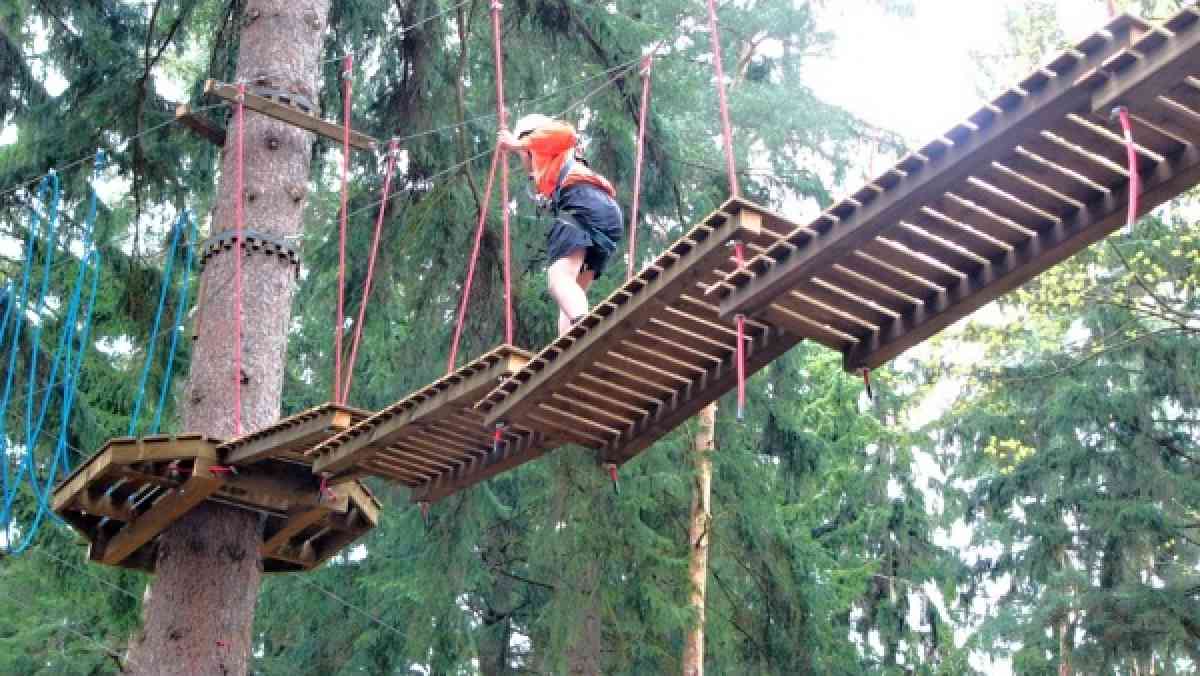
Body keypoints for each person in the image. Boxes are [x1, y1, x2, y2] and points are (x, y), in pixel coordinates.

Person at [498, 114, 623, 336]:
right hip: (605, 213)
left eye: (521, 154)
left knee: (559, 277)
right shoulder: (556, 163)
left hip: (583, 203)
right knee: (572, 287)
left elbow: (566, 133)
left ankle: (584, 331)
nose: (523, 161)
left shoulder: (549, 142)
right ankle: (567, 345)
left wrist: (517, 142)